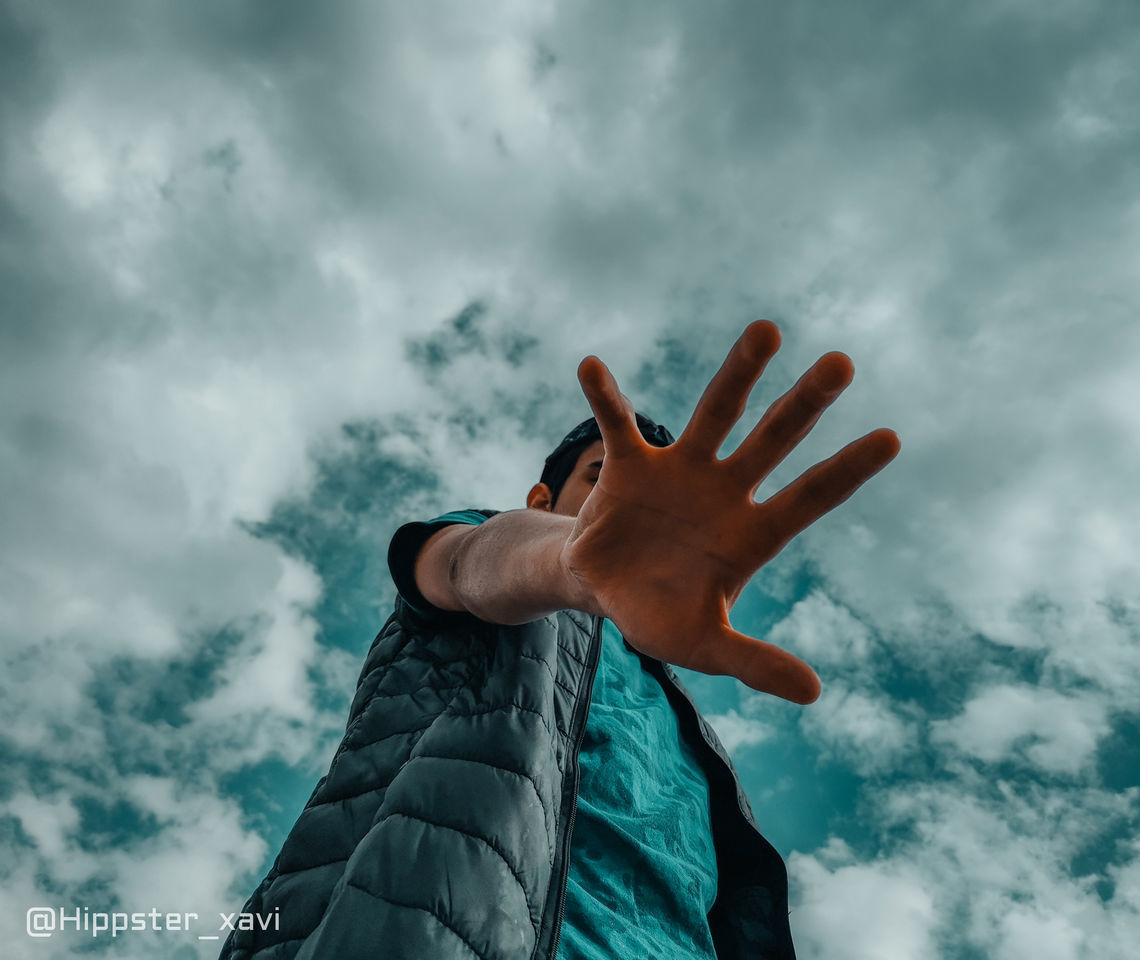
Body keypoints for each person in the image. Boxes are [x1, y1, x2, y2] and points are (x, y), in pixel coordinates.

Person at [218, 320, 900, 960]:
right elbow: (460, 563)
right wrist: (565, 565)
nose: (637, 503)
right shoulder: (506, 550)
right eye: (605, 476)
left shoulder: (681, 716)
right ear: (541, 500)